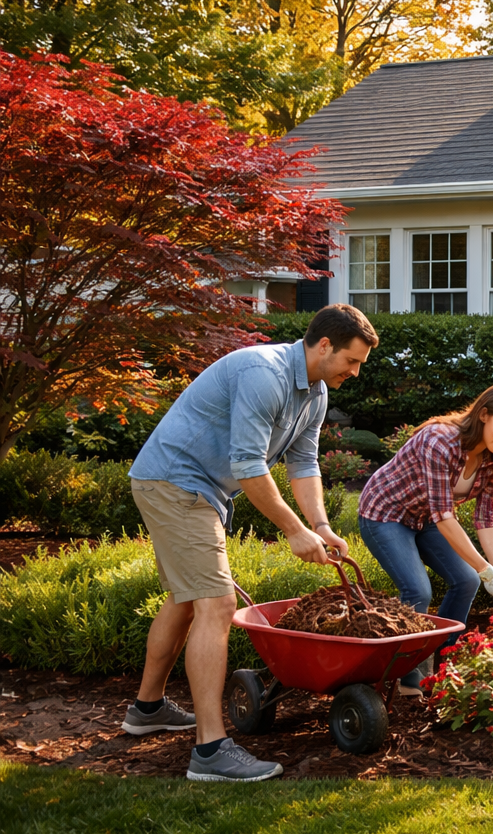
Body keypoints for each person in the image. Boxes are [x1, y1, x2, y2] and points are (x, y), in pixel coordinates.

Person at [123, 303, 377, 781]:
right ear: (325, 345)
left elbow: (304, 464)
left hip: (195, 487)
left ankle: (147, 709)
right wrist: (292, 530)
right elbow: (249, 465)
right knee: (216, 606)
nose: (355, 371)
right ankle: (211, 751)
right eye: (352, 360)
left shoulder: (315, 393)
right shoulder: (265, 374)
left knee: (186, 600)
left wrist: (319, 525)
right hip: (176, 482)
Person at [356, 382, 493, 695]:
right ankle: (404, 674)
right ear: (483, 415)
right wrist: (486, 571)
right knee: (417, 589)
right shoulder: (439, 441)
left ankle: (445, 666)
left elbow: (486, 517)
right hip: (385, 513)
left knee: (466, 580)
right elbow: (445, 517)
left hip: (426, 518)